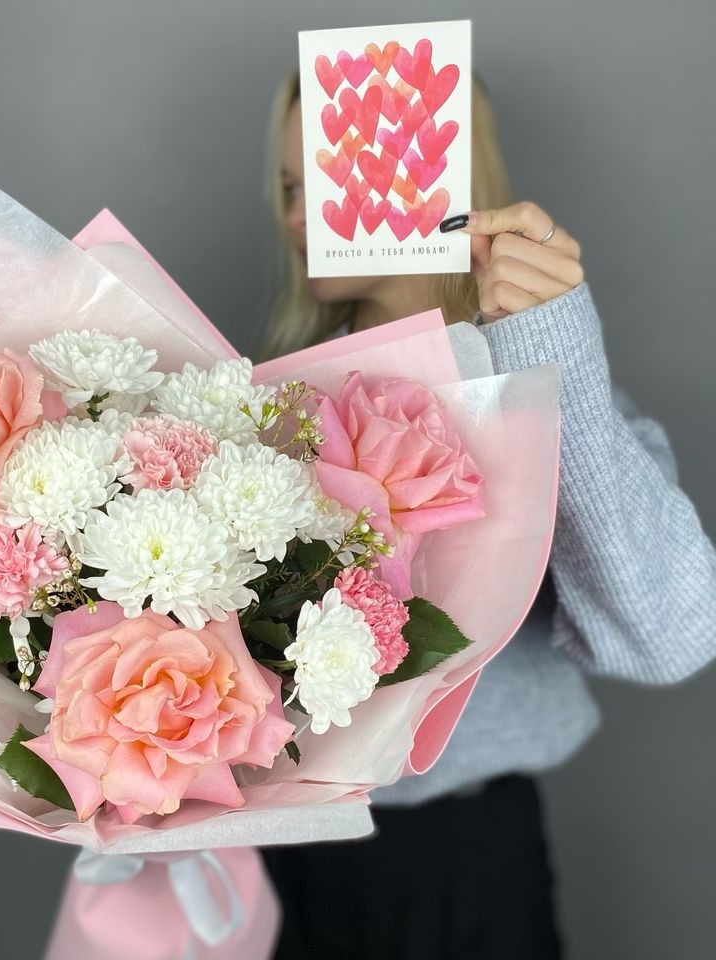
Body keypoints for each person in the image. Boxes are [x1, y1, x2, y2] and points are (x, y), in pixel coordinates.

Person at [258, 71, 716, 959]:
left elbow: (669, 636)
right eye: (286, 187)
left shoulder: (542, 386)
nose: (297, 217)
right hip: (288, 856)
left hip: (466, 856)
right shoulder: (270, 401)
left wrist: (548, 349)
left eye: (327, 178)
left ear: (434, 178)